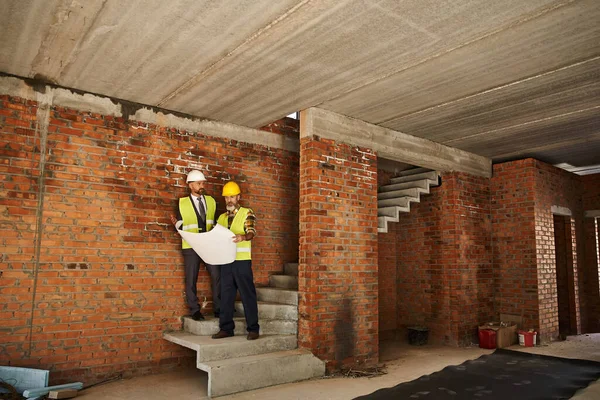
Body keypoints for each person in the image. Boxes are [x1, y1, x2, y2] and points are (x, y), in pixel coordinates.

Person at [211, 181, 260, 340]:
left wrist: (243, 237)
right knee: (226, 296)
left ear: (238, 197)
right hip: (226, 262)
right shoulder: (221, 218)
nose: (229, 200)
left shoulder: (247, 212)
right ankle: (226, 328)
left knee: (247, 295)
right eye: (226, 198)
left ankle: (253, 329)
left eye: (232, 197)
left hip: (242, 262)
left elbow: (252, 232)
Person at [170, 170, 219, 321]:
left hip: (209, 244)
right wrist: (178, 228)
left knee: (217, 276)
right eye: (199, 183)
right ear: (191, 185)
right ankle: (194, 310)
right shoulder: (182, 203)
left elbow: (215, 222)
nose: (201, 185)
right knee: (191, 278)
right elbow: (180, 222)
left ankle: (219, 308)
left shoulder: (211, 201)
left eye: (203, 183)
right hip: (191, 245)